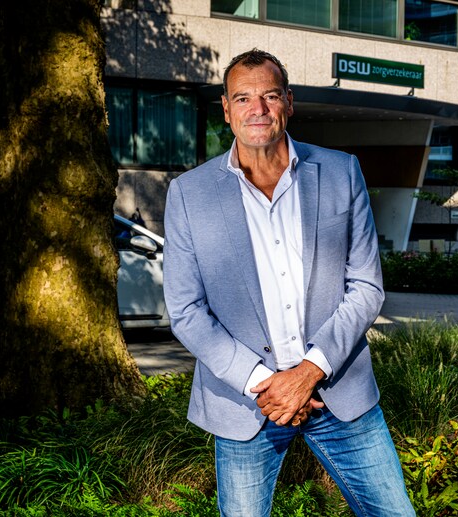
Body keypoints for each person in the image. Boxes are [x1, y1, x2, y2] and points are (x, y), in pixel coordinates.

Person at [163, 49, 415, 516]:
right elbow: (186, 311)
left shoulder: (341, 172)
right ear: (226, 109)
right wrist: (269, 386)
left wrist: (308, 373)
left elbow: (366, 287)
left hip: (339, 392)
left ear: (289, 102)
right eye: (243, 98)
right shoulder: (189, 193)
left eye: (270, 96)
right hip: (247, 404)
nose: (257, 109)